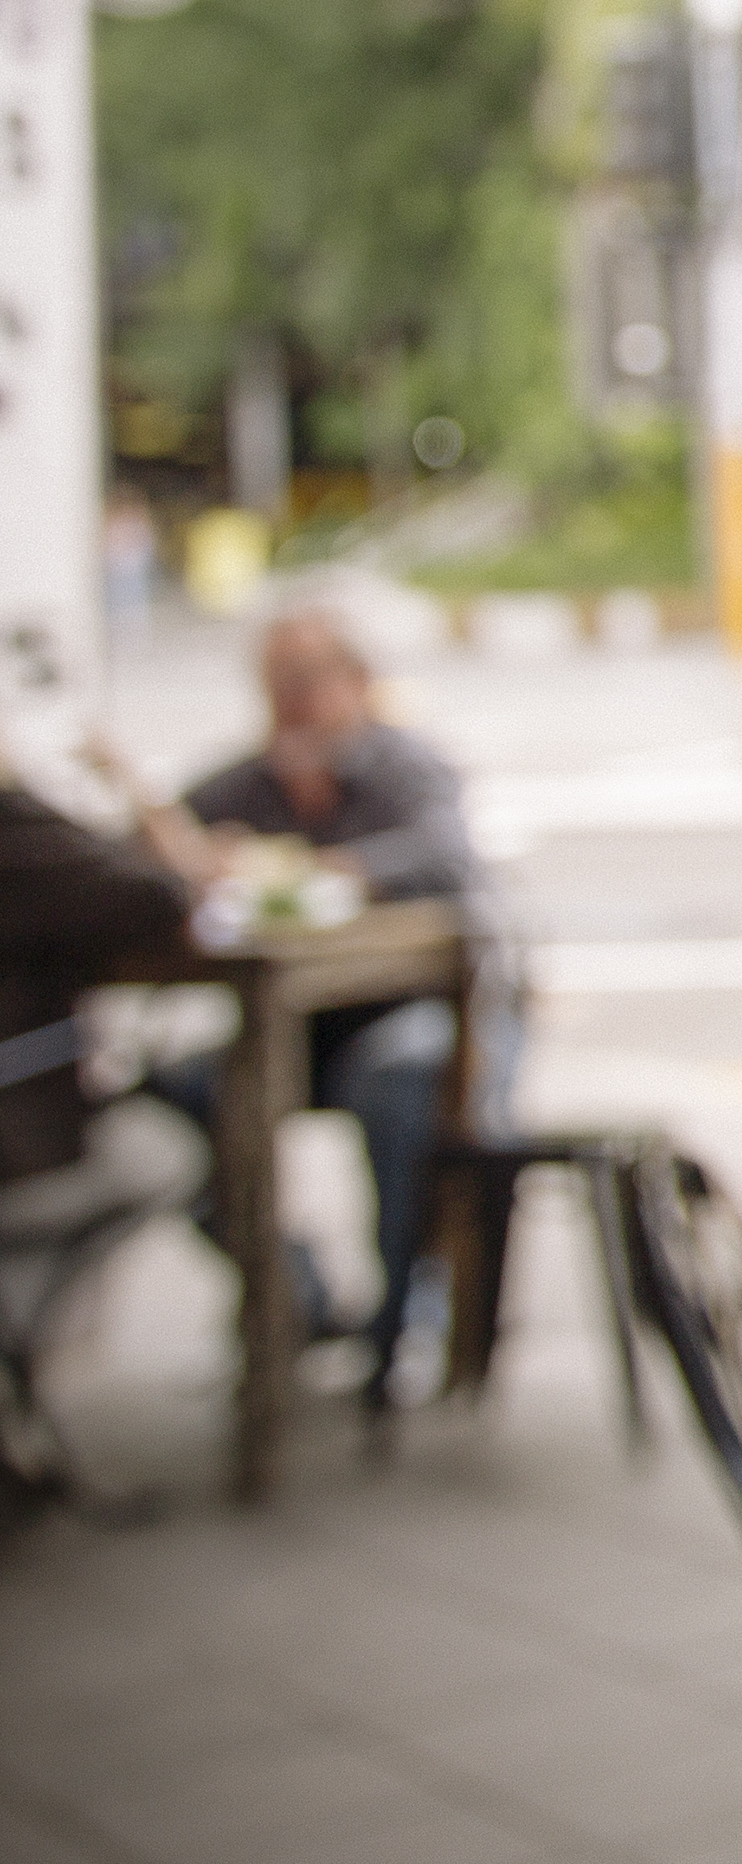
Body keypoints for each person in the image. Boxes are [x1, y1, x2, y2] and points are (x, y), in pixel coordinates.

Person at [109, 606, 509, 1405]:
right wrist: (187, 856)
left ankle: (400, 1325)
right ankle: (292, 1289)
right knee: (171, 1093)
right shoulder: (252, 779)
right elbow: (146, 842)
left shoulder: (405, 767)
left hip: (422, 1013)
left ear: (357, 683)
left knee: (395, 1086)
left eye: (309, 680)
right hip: (300, 1023)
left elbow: (446, 853)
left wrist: (336, 867)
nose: (292, 701)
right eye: (276, 684)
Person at [0, 754, 212, 1494]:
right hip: (17, 1148)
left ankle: (17, 1386)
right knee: (165, 1152)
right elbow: (156, 895)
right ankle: (19, 1371)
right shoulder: (17, 832)